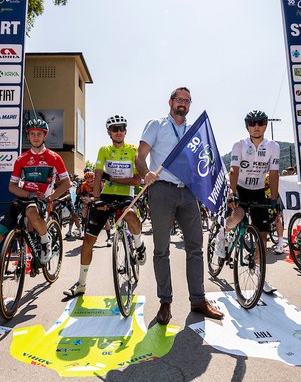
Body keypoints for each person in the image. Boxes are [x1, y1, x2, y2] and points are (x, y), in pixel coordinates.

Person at [0, 118, 70, 303]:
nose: (35, 137)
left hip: (41, 202)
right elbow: (12, 186)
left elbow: (67, 183)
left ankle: (45, 239)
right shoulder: (21, 159)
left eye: (39, 134)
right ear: (28, 136)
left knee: (32, 211)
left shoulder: (54, 157)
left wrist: (50, 197)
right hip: (21, 201)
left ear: (45, 136)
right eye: (32, 134)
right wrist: (28, 194)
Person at [136, 87, 224, 325]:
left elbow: (203, 162)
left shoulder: (193, 132)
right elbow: (140, 156)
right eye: (179, 99)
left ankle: (198, 300)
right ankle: (165, 302)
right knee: (161, 249)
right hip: (161, 191)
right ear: (170, 101)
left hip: (188, 193)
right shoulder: (156, 125)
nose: (183, 103)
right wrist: (146, 174)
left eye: (187, 100)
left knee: (195, 247)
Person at [63, 115, 146, 297]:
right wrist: (97, 197)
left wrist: (113, 178)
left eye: (122, 128)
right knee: (88, 241)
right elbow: (98, 174)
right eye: (114, 129)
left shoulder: (133, 150)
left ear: (125, 131)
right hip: (106, 195)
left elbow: (136, 180)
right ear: (109, 133)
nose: (118, 132)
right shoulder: (104, 150)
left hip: (126, 196)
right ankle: (81, 284)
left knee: (130, 215)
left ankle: (139, 246)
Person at [215, 110, 281, 294]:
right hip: (240, 188)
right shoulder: (240, 145)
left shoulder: (273, 146)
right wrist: (232, 193)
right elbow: (234, 171)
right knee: (238, 215)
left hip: (259, 191)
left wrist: (274, 200)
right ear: (247, 127)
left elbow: (274, 174)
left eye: (260, 123)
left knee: (262, 236)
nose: (256, 126)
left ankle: (261, 277)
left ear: (265, 125)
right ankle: (223, 234)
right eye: (252, 123)